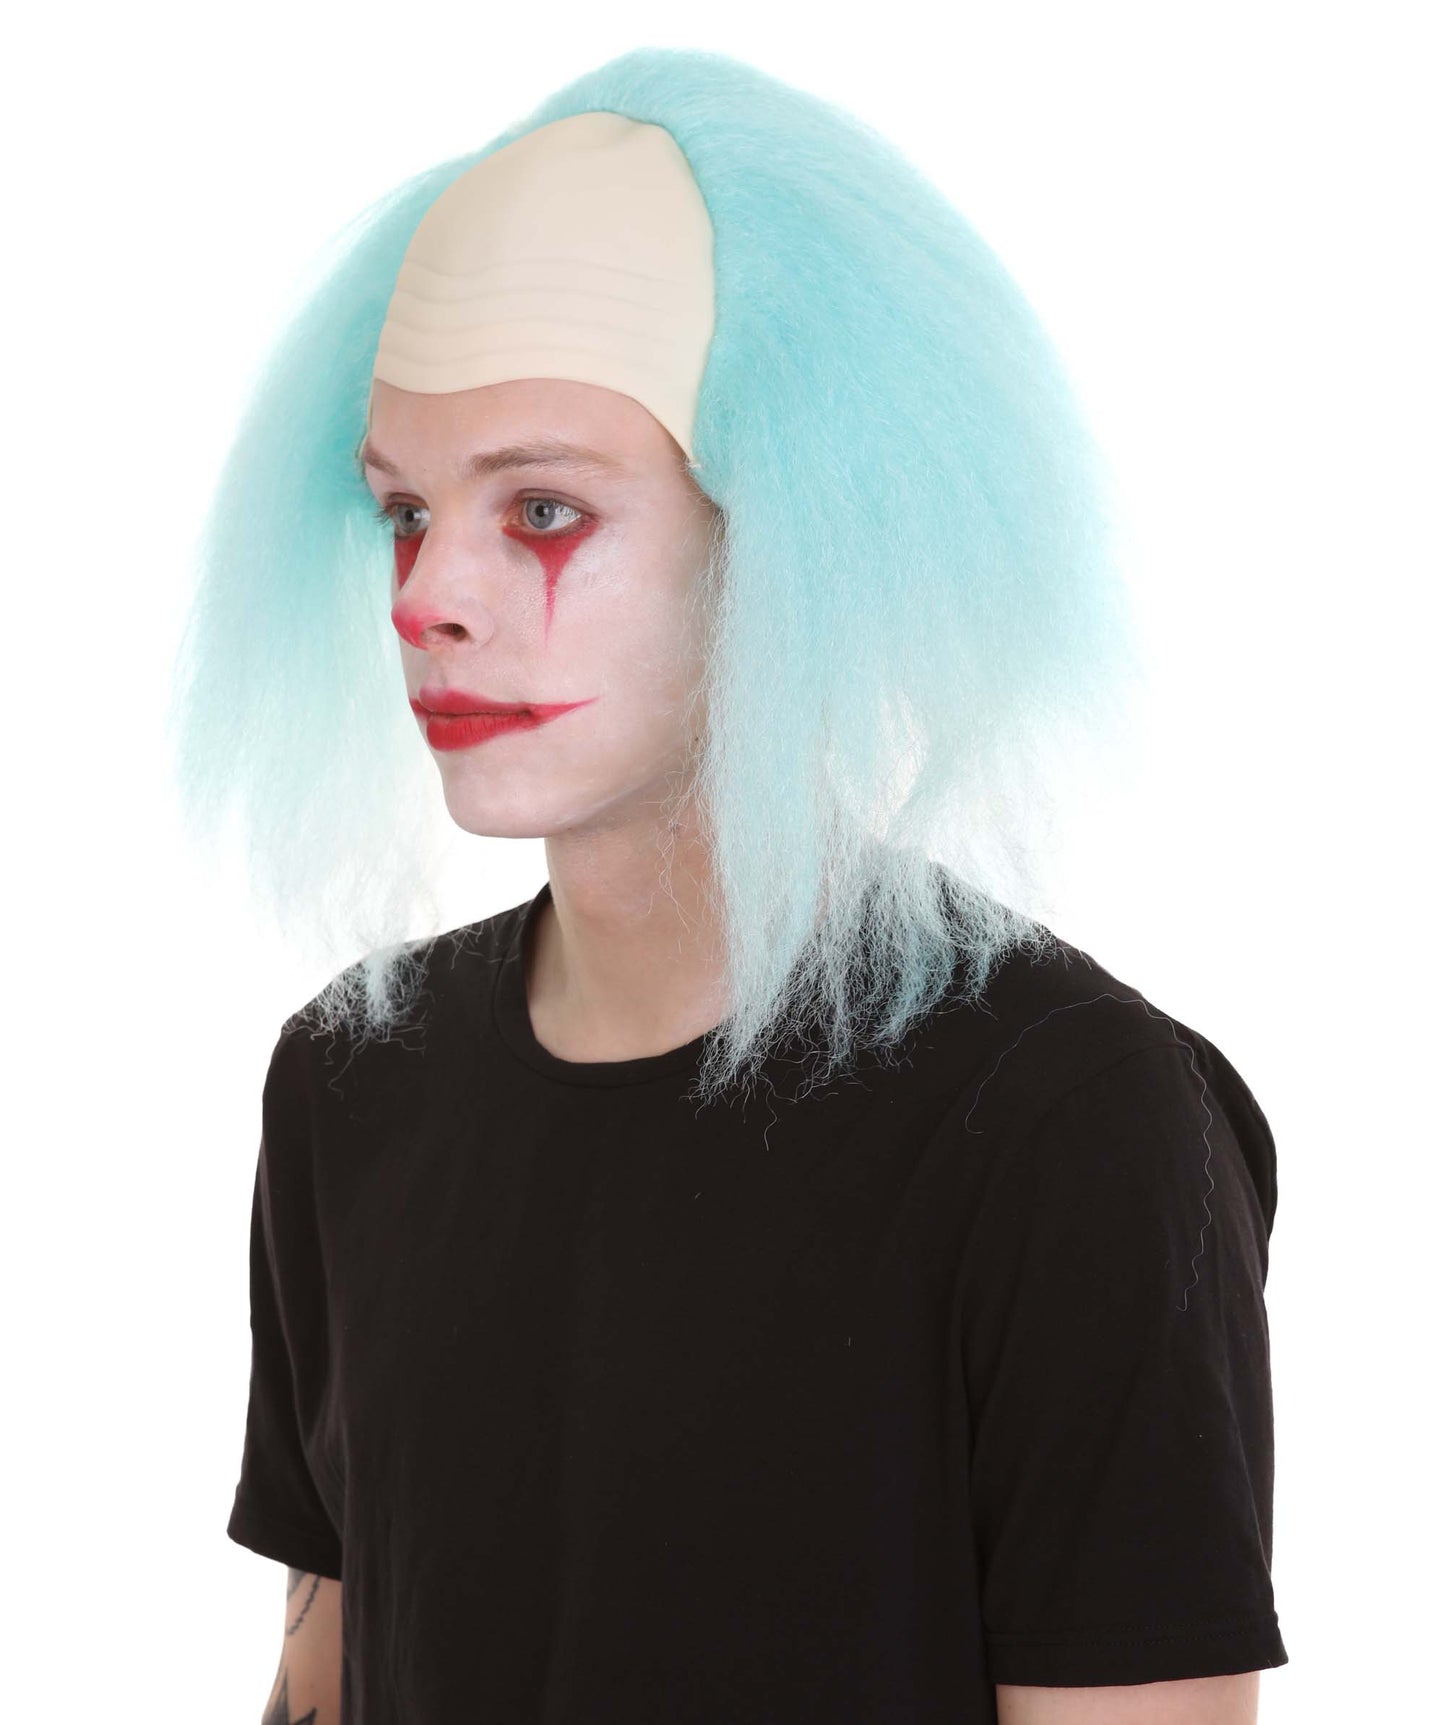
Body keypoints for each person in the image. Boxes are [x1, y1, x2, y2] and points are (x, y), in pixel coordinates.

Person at [167, 46, 1288, 1725]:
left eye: (542, 508)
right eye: (402, 511)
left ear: (798, 529)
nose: (426, 596)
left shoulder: (1067, 1124)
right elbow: (321, 1677)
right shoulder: (352, 1082)